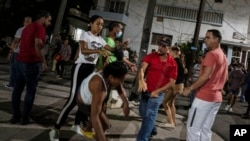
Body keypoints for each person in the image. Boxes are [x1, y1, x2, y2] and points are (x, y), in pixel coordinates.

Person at [49, 15, 113, 141]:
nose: (100, 26)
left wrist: (117, 53)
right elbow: (83, 50)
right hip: (80, 67)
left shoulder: (101, 40)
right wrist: (99, 51)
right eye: (98, 23)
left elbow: (111, 50)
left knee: (84, 99)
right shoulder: (86, 35)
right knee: (73, 99)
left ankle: (76, 124)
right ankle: (55, 129)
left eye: (102, 25)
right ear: (91, 24)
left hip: (91, 69)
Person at [182, 29, 228, 141]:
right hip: (216, 98)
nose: (205, 40)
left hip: (204, 98)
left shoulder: (212, 54)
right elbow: (226, 77)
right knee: (205, 129)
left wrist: (190, 88)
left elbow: (206, 76)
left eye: (208, 37)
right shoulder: (222, 55)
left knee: (193, 129)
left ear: (216, 39)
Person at [10, 11, 51, 125]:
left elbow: (21, 42)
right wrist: (43, 62)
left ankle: (16, 116)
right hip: (31, 63)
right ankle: (25, 118)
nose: (49, 23)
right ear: (43, 18)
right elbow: (38, 44)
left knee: (17, 90)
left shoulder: (27, 28)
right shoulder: (39, 28)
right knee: (30, 91)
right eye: (49, 20)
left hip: (20, 61)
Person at [76, 61, 130, 141]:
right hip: (84, 103)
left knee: (105, 126)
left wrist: (125, 103)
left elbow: (119, 86)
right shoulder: (99, 85)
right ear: (111, 77)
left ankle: (89, 131)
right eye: (121, 80)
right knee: (104, 125)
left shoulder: (109, 73)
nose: (122, 82)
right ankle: (93, 134)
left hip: (91, 97)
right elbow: (95, 116)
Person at [136, 37, 177, 141]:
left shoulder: (172, 63)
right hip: (146, 90)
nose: (161, 48)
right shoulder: (151, 56)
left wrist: (157, 91)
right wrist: (141, 80)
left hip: (158, 94)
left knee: (150, 114)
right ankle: (152, 128)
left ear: (169, 48)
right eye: (160, 45)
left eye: (164, 46)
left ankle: (142, 138)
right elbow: (142, 69)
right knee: (142, 112)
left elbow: (172, 81)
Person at [160, 46, 185, 128]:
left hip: (176, 85)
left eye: (170, 52)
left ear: (174, 52)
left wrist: (169, 86)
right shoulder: (179, 61)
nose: (169, 53)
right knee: (171, 103)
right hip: (179, 85)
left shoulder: (175, 61)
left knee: (165, 103)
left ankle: (171, 122)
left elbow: (175, 76)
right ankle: (173, 122)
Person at [5, 16, 32, 89]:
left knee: (14, 68)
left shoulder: (21, 30)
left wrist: (10, 52)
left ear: (24, 22)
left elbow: (16, 41)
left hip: (17, 52)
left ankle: (13, 84)